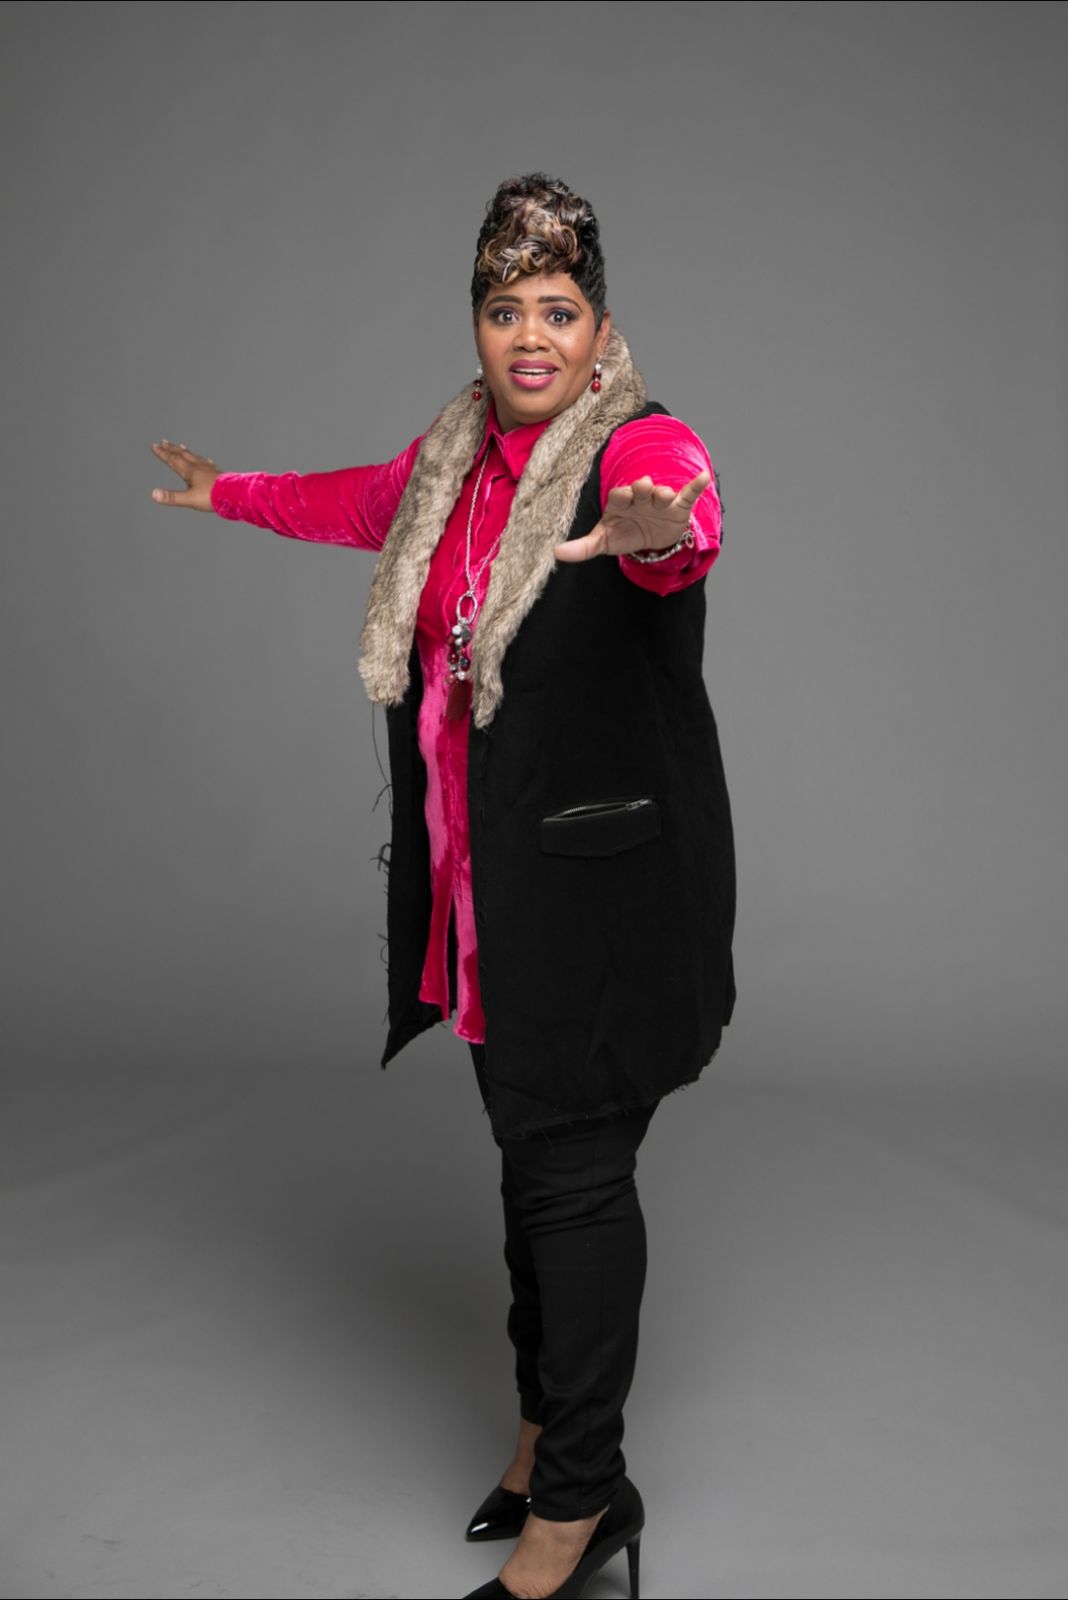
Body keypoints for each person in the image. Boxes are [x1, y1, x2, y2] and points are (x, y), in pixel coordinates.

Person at [149, 171, 737, 1600]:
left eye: (560, 309)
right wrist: (228, 493)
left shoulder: (634, 448)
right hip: (490, 908)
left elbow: (683, 509)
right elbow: (360, 503)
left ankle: (584, 1512)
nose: (531, 335)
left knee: (574, 1184)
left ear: (603, 330)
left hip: (599, 911)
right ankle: (545, 1443)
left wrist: (659, 532)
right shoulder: (454, 463)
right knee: (534, 1171)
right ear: (475, 325)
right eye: (504, 308)